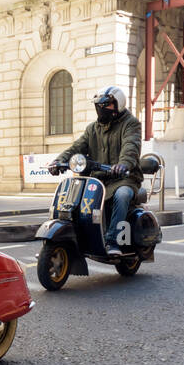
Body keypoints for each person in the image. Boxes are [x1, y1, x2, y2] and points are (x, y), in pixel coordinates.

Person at [49, 86, 143, 258]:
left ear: (117, 105)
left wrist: (123, 164)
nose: (101, 108)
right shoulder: (92, 128)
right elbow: (77, 147)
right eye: (99, 105)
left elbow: (131, 146)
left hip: (124, 178)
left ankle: (112, 241)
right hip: (98, 179)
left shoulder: (131, 124)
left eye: (105, 105)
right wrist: (58, 161)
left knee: (122, 195)